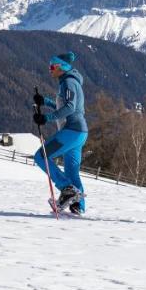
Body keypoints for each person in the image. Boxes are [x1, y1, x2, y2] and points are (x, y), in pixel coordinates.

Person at [34, 51, 89, 214]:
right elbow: (65, 106)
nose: (50, 69)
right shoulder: (69, 81)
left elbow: (70, 107)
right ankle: (78, 205)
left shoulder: (69, 82)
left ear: (61, 67)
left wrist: (47, 118)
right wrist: (45, 102)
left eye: (52, 66)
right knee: (71, 172)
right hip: (79, 132)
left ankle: (66, 189)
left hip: (72, 130)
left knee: (41, 156)